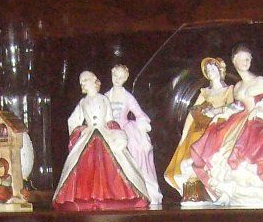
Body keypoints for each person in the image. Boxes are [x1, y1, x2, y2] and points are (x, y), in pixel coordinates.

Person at [188, 45, 263, 207]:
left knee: (246, 158)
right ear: (234, 61)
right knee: (222, 154)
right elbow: (235, 107)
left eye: (248, 59)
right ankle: (228, 193)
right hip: (239, 122)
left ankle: (258, 194)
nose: (245, 62)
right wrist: (218, 112)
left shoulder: (260, 81)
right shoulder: (237, 87)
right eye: (241, 58)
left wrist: (258, 112)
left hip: (258, 123)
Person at [51, 71, 151, 212]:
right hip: (89, 135)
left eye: (86, 79)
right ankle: (86, 196)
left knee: (112, 163)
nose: (84, 82)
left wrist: (115, 131)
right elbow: (72, 120)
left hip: (105, 134)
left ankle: (114, 195)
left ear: (94, 80)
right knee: (86, 164)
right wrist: (81, 129)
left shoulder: (103, 99)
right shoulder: (83, 102)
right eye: (82, 81)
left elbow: (109, 118)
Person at [164, 55, 236, 203]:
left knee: (210, 160)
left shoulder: (229, 90)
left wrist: (216, 112)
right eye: (208, 70)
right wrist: (184, 134)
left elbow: (232, 108)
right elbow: (193, 112)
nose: (210, 72)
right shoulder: (204, 92)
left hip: (219, 127)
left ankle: (215, 190)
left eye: (213, 68)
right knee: (189, 159)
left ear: (220, 70)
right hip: (201, 128)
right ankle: (194, 192)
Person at [107, 64, 161, 207]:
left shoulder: (127, 97)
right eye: (115, 76)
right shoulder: (106, 96)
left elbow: (139, 113)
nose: (117, 79)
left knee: (136, 152)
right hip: (109, 130)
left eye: (121, 77)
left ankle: (139, 191)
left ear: (125, 79)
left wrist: (143, 124)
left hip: (125, 129)